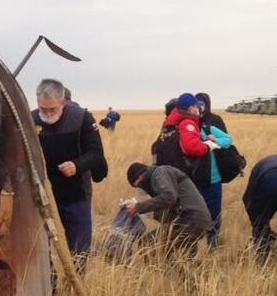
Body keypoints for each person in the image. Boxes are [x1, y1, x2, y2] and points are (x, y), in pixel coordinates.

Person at [32, 79, 107, 264]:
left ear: (63, 102)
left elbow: (96, 154)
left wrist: (77, 165)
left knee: (79, 251)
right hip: (42, 199)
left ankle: (75, 289)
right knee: (41, 253)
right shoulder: (29, 120)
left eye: (52, 109)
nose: (47, 114)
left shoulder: (82, 119)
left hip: (76, 196)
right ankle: (53, 288)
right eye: (43, 109)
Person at [123, 162, 213, 256]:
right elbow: (167, 204)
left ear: (140, 177)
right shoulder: (160, 175)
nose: (141, 188)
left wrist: (138, 207)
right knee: (175, 255)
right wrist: (140, 209)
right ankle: (178, 269)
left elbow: (168, 197)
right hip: (193, 220)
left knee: (149, 244)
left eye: (138, 185)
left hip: (191, 220)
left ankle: (163, 270)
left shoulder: (160, 173)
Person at [194, 92, 235, 246]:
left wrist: (214, 140)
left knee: (214, 211)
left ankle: (213, 242)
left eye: (202, 103)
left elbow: (228, 141)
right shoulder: (188, 124)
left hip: (213, 173)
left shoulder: (214, 121)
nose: (199, 107)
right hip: (195, 176)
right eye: (196, 104)